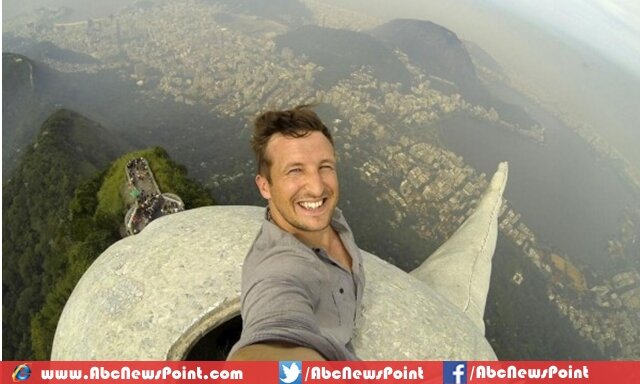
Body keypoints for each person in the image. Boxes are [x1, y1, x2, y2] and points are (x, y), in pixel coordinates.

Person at [227, 105, 365, 361]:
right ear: (265, 186)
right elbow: (270, 340)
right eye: (295, 170)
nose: (316, 187)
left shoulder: (333, 220)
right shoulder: (278, 269)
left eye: (325, 167)